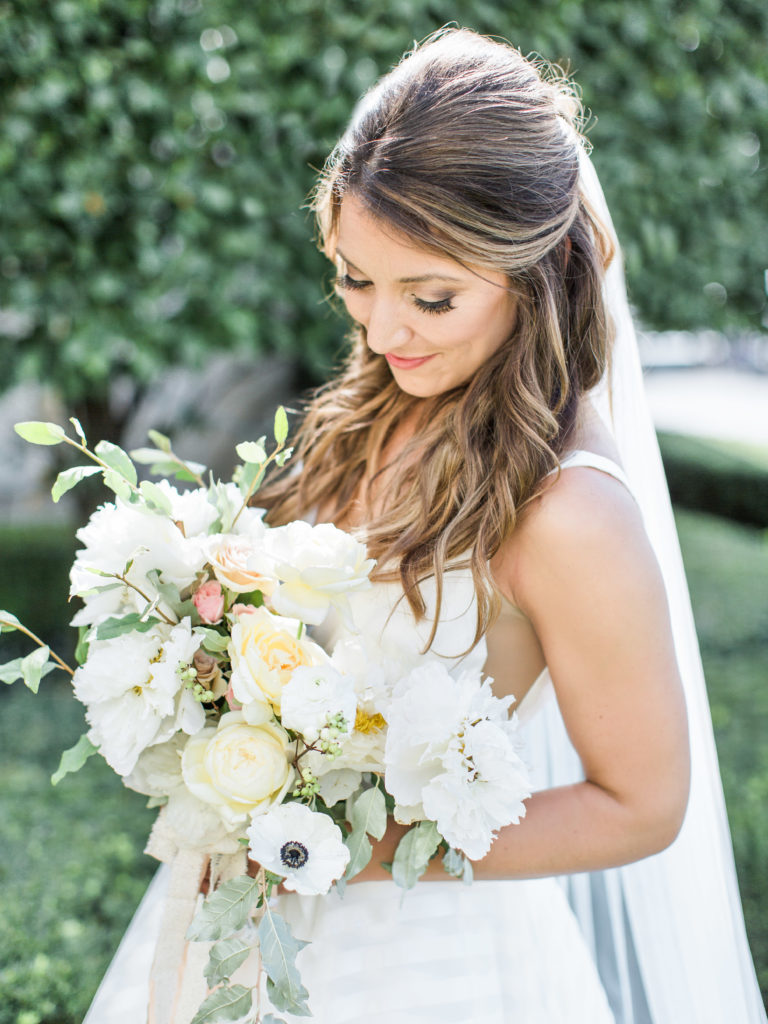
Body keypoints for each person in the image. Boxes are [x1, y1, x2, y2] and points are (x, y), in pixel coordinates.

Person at [85, 27, 766, 1024]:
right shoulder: (393, 397)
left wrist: (343, 842)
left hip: (429, 965)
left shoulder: (568, 511)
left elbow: (642, 806)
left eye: (431, 297)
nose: (380, 330)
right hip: (238, 913)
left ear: (530, 275)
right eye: (356, 279)